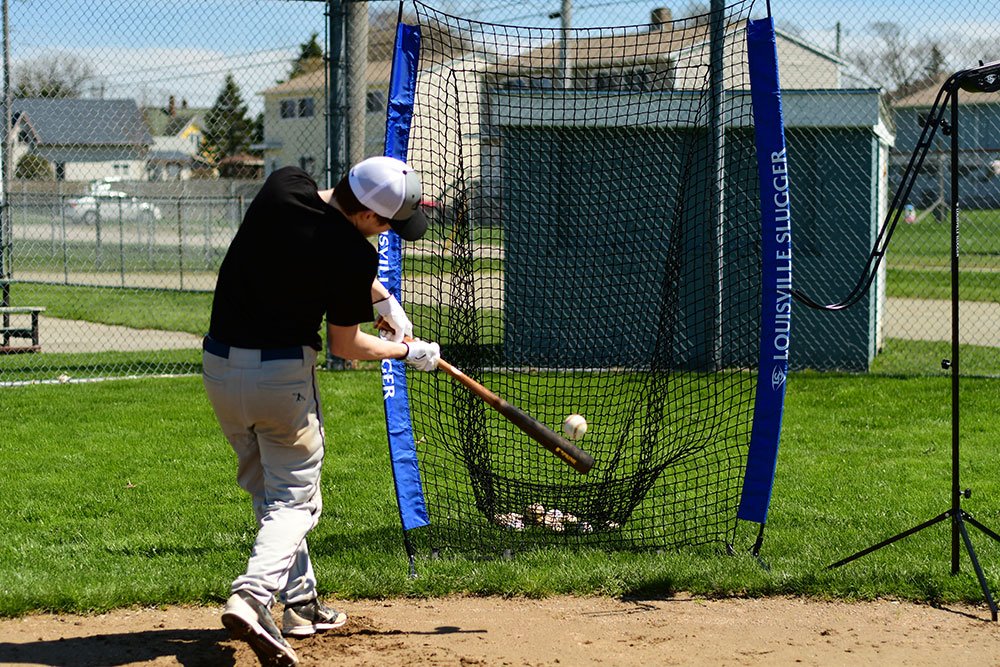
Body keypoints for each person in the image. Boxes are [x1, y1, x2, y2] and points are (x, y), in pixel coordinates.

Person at [203, 156, 440, 666]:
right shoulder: (353, 255)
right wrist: (408, 352)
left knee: (268, 491)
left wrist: (381, 299)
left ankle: (302, 605)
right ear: (370, 218)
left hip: (219, 370)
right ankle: (252, 595)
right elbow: (347, 346)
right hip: (281, 379)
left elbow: (315, 240)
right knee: (296, 503)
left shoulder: (284, 185)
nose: (386, 234)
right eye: (388, 225)